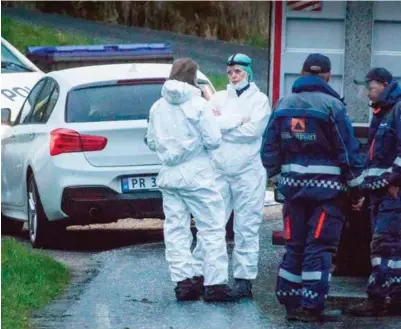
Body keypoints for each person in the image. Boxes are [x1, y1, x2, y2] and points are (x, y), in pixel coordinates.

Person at [260, 53, 365, 322]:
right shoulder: (333, 106)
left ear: (303, 73)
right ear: (327, 76)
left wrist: (279, 176)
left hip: (293, 192)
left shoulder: (283, 103)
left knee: (294, 246)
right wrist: (356, 188)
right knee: (319, 247)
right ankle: (312, 307)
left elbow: (268, 150)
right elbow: (347, 151)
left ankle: (291, 304)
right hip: (326, 195)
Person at [146, 58, 237, 302]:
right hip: (198, 176)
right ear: (193, 77)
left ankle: (184, 283)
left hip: (169, 176)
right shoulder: (199, 105)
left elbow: (151, 141)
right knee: (212, 227)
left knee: (175, 229)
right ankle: (215, 284)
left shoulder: (157, 107)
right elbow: (214, 140)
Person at [192, 53, 271, 298]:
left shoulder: (260, 100)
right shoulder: (218, 98)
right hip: (220, 171)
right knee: (211, 224)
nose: (233, 76)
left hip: (249, 172)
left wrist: (223, 126)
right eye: (230, 72)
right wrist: (236, 122)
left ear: (248, 71)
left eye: (238, 71)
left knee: (246, 226)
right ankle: (199, 275)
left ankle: (244, 279)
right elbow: (207, 127)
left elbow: (254, 130)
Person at [348, 68, 401, 316]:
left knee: (383, 246)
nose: (367, 91)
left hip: (392, 194)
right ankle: (395, 297)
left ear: (384, 84)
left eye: (371, 86)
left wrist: (395, 179)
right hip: (380, 193)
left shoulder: (396, 111)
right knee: (392, 247)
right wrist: (365, 191)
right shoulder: (382, 114)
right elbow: (374, 159)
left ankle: (377, 299)